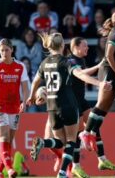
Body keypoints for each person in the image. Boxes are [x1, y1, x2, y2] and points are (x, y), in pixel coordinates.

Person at [26, 32, 78, 178]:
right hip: (67, 104)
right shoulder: (66, 61)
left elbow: (36, 80)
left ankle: (43, 142)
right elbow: (79, 74)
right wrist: (96, 82)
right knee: (71, 141)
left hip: (51, 106)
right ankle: (62, 172)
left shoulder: (44, 63)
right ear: (62, 45)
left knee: (60, 142)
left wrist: (31, 96)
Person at [78, 10, 115, 152]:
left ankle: (93, 132)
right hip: (108, 72)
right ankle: (86, 132)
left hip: (114, 73)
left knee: (105, 107)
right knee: (101, 103)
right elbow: (108, 55)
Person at [68, 37, 115, 177]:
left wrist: (99, 66)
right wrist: (99, 81)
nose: (87, 48)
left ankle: (102, 160)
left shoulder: (81, 60)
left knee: (93, 127)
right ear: (76, 47)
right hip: (72, 102)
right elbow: (81, 75)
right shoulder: (70, 61)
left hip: (81, 100)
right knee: (77, 135)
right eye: (84, 46)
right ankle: (76, 166)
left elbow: (84, 72)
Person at [0, 38, 29, 178]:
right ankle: (10, 169)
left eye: (6, 50)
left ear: (12, 50)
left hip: (15, 108)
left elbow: (25, 87)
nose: (4, 52)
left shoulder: (20, 66)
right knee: (3, 137)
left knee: (8, 141)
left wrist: (25, 101)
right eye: (1, 50)